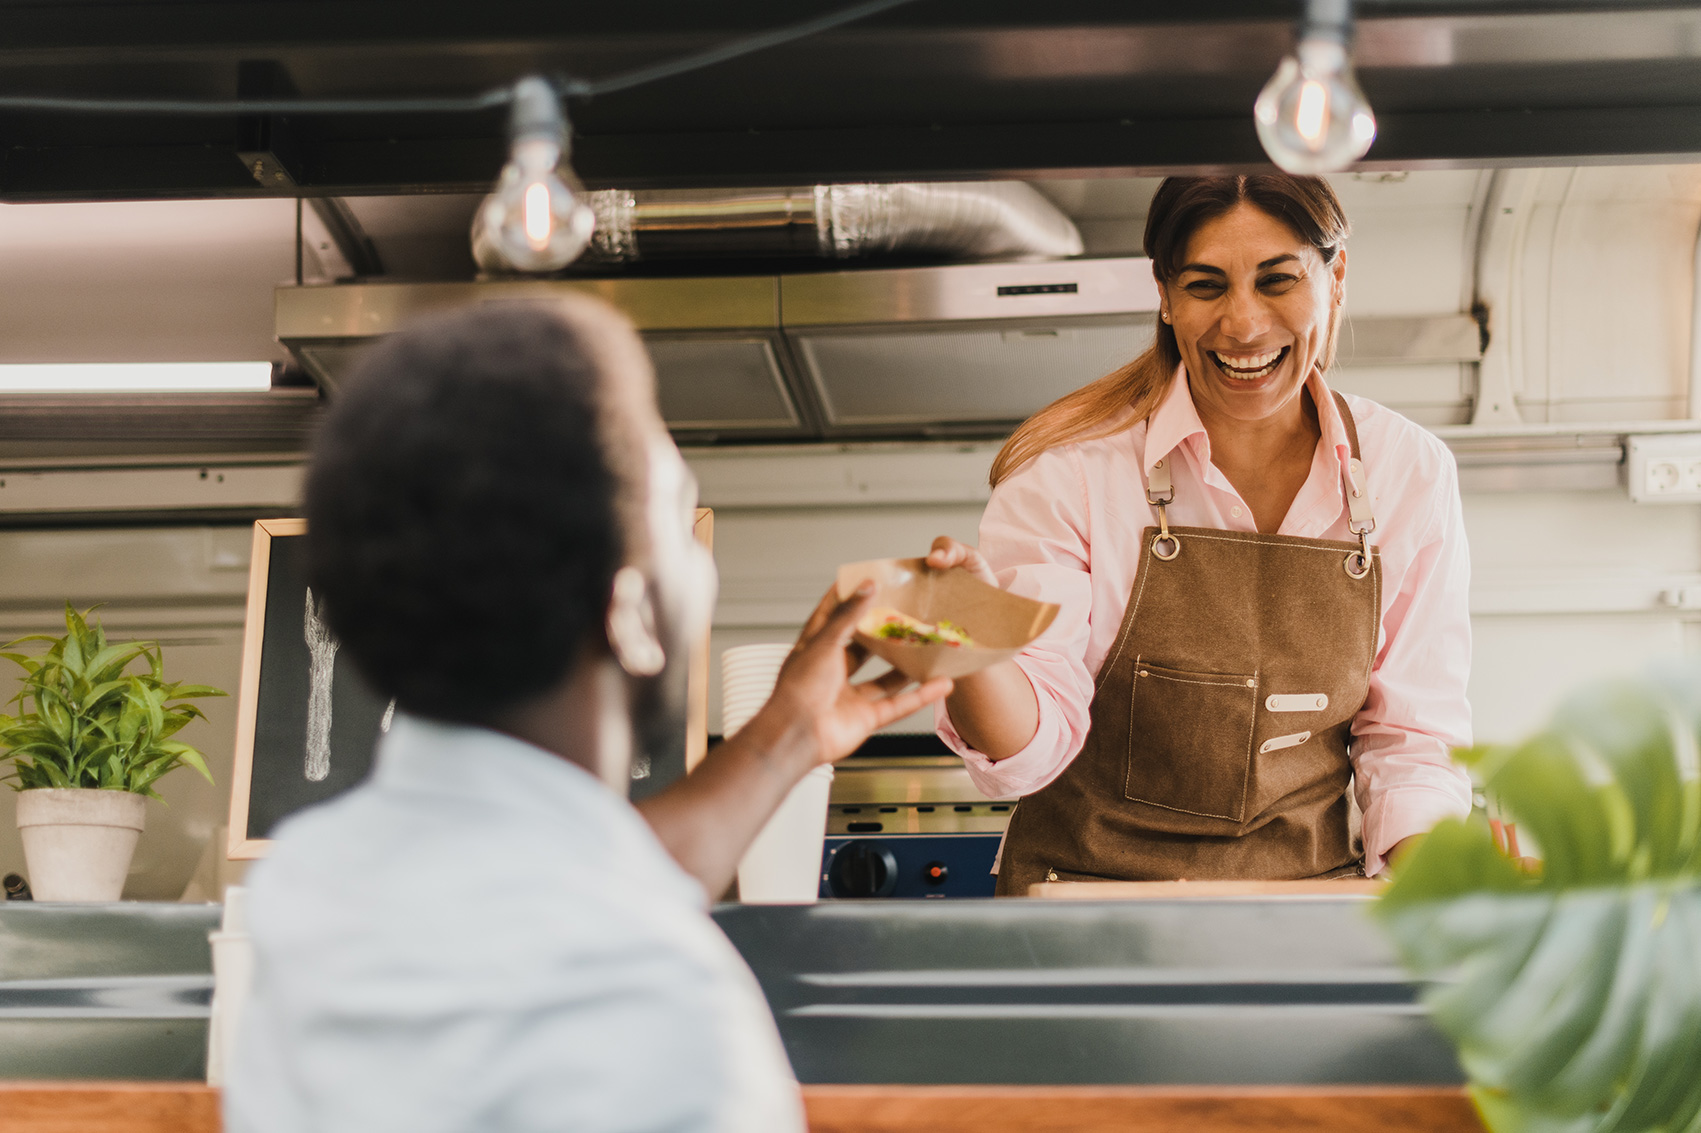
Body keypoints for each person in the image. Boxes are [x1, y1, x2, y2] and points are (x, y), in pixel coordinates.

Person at [224, 297, 950, 1132]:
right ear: (632, 613)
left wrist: (790, 734)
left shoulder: (308, 893)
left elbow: (563, 877)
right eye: (683, 519)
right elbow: (585, 908)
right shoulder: (664, 1007)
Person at [927, 174, 1473, 895]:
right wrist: (969, 649)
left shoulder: (1409, 471)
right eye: (1206, 286)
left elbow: (1408, 740)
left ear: (1334, 278)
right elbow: (1029, 749)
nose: (1242, 324)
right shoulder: (1069, 476)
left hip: (1307, 917)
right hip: (1082, 915)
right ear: (1164, 295)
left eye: (1277, 280)